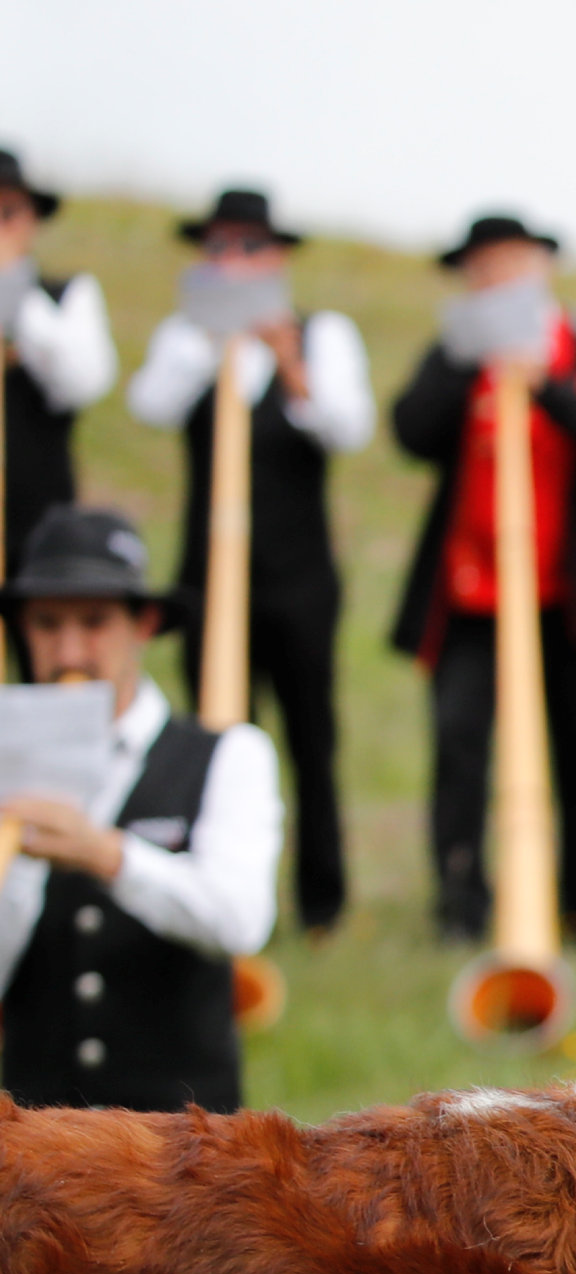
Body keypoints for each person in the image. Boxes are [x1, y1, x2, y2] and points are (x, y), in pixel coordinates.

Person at [389, 212, 576, 947]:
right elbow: (410, 430)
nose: (495, 277)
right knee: (459, 745)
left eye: (508, 262)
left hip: (568, 598)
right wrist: (469, 363)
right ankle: (461, 903)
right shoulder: (456, 351)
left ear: (541, 266)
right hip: (471, 595)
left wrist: (548, 387)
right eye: (481, 267)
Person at [125, 187, 370, 934]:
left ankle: (320, 906)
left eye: (249, 247)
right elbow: (149, 406)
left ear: (278, 257)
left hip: (297, 579)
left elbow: (347, 427)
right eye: (219, 248)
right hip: (206, 580)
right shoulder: (184, 335)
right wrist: (208, 341)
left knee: (309, 738)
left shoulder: (322, 333)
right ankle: (213, 896)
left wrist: (288, 361)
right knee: (215, 737)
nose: (233, 263)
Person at [0, 506, 278, 1112]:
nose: (70, 651)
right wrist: (16, 863)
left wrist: (108, 855)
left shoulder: (228, 755)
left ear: (144, 623)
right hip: (34, 1144)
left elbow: (241, 919)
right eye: (47, 624)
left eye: (94, 623)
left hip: (180, 1147)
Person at [0, 149, 118, 675]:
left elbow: (82, 380)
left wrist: (13, 298)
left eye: (6, 214)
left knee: (46, 674)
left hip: (38, 521)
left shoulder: (65, 297)